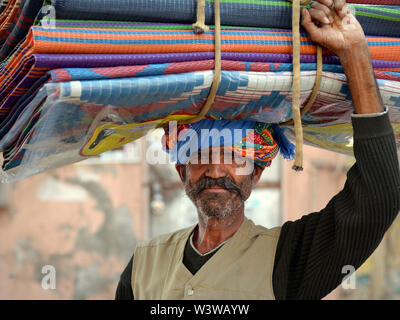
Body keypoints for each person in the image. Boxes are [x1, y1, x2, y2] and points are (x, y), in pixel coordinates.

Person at [115, 0, 400, 299]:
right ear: (180, 170)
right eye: (200, 156)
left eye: (236, 157)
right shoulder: (143, 265)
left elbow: (377, 200)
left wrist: (353, 53)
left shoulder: (288, 258)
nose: (215, 170)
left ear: (258, 171)